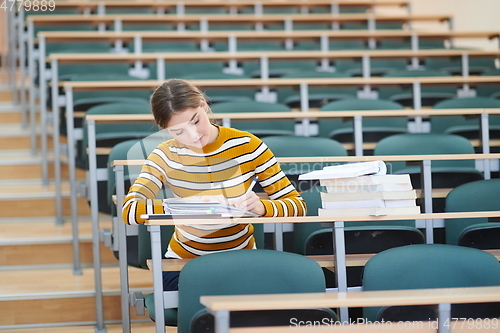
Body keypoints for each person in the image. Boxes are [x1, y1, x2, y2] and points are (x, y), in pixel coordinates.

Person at [122, 78, 306, 291]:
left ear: (203, 105)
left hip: (242, 260)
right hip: (184, 264)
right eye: (179, 132)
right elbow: (130, 210)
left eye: (195, 121)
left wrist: (262, 207)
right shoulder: (163, 155)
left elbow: (298, 206)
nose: (194, 136)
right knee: (213, 296)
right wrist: (188, 205)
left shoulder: (248, 146)